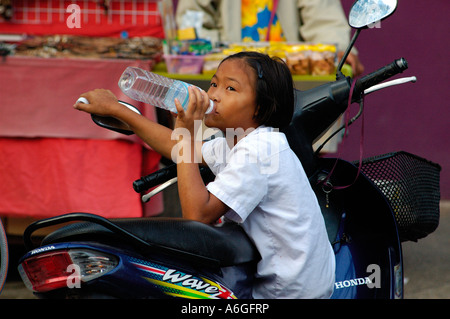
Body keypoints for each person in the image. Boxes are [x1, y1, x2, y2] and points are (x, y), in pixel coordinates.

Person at [74, 51, 335, 299]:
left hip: (291, 292)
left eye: (230, 88)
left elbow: (197, 215)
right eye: (213, 84)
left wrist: (186, 135)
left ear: (259, 108)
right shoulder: (239, 139)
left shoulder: (260, 151)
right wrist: (119, 110)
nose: (214, 95)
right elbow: (177, 147)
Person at [176, 0, 364, 76]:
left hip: (289, 77)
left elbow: (323, 18)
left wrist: (334, 50)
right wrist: (208, 53)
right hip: (229, 73)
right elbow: (193, 18)